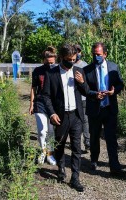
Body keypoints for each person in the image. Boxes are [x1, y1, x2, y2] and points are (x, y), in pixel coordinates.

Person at [42, 44, 89, 192]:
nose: (72, 62)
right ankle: (61, 168)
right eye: (69, 59)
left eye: (74, 59)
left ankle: (75, 177)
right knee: (60, 145)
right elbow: (46, 96)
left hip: (75, 115)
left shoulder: (78, 70)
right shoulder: (52, 73)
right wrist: (52, 113)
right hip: (60, 116)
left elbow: (86, 91)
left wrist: (82, 82)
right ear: (61, 58)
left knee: (76, 148)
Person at [83, 42, 126, 177]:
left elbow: (121, 84)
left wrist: (114, 91)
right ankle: (94, 159)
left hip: (110, 108)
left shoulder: (113, 67)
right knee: (94, 136)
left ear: (105, 54)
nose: (96, 56)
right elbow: (84, 89)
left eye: (98, 54)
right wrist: (94, 94)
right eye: (94, 54)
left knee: (111, 138)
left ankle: (115, 167)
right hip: (94, 108)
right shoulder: (87, 70)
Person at [29, 46, 57, 166]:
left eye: (52, 62)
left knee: (51, 131)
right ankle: (42, 151)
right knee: (42, 131)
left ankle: (50, 154)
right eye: (48, 62)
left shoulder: (57, 70)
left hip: (53, 104)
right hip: (40, 103)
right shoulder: (38, 71)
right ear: (43, 60)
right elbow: (33, 88)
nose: (50, 64)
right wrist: (31, 104)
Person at [73, 44, 90, 152]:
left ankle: (87, 141)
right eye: (75, 51)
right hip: (72, 98)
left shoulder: (85, 65)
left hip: (83, 98)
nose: (77, 53)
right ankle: (76, 142)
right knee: (75, 121)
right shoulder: (68, 65)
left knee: (85, 120)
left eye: (79, 51)